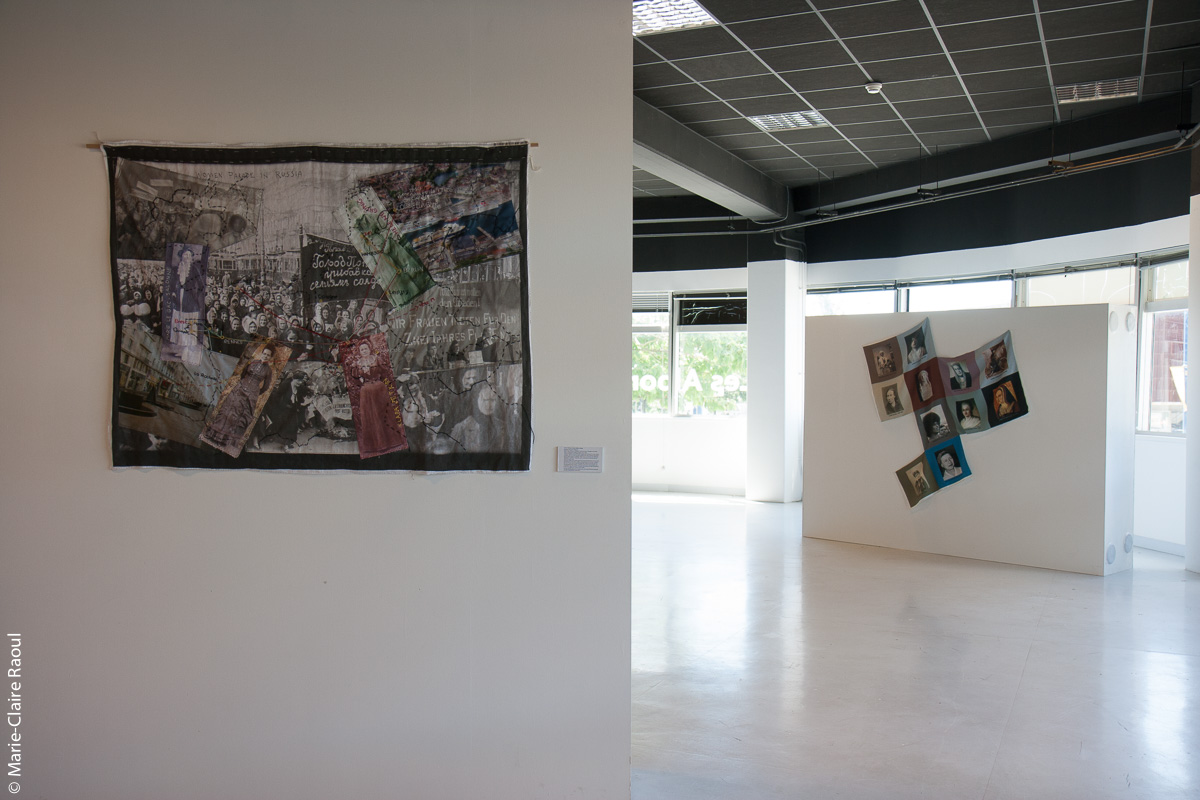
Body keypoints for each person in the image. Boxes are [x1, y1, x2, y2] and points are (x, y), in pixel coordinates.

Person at [201, 344, 277, 456]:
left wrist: (255, 392)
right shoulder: (253, 362)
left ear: (270, 358)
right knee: (228, 410)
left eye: (268, 355)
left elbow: (266, 386)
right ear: (262, 353)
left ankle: (224, 441)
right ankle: (214, 435)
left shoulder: (268, 371)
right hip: (240, 388)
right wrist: (242, 385)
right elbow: (243, 374)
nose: (265, 356)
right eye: (264, 354)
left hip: (252, 394)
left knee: (239, 416)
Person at [344, 340, 408, 458]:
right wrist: (360, 378)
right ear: (359, 352)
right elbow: (354, 378)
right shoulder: (357, 363)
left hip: (379, 389)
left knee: (383, 414)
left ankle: (391, 441)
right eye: (362, 349)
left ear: (370, 349)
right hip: (367, 392)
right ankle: (374, 445)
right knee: (370, 416)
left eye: (366, 348)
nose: (364, 351)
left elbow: (385, 372)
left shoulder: (377, 359)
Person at [162, 244, 206, 365]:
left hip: (190, 300)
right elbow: (173, 283)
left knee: (188, 324)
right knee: (179, 322)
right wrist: (173, 293)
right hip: (178, 297)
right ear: (181, 257)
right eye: (184, 255)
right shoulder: (178, 268)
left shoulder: (194, 269)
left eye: (188, 255)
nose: (186, 257)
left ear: (191, 257)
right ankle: (182, 350)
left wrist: (195, 295)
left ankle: (187, 351)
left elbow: (201, 285)